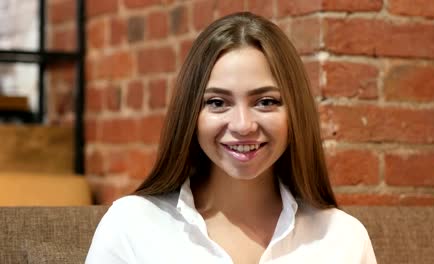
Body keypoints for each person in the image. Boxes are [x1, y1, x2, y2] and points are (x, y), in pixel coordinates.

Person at [86, 12, 377, 264]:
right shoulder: (132, 224)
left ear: (295, 112)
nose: (243, 125)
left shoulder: (343, 238)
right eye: (216, 102)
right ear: (191, 114)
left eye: (265, 102)